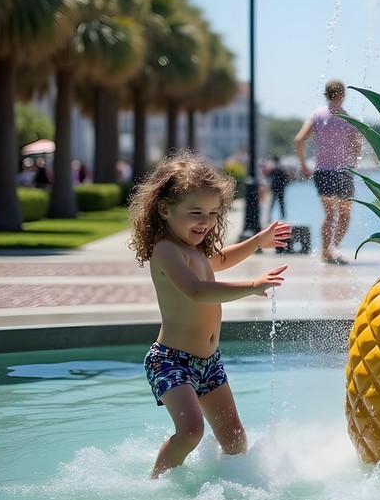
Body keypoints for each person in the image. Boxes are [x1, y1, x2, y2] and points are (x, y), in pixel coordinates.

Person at [127, 150, 291, 478]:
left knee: (234, 439)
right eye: (196, 212)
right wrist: (251, 285)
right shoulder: (167, 251)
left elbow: (220, 260)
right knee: (191, 431)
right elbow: (197, 291)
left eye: (213, 212)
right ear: (165, 209)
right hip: (171, 360)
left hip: (209, 362)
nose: (206, 221)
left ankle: (227, 483)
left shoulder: (194, 249)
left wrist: (257, 241)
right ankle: (156, 484)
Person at [294, 79, 362, 265]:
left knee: (330, 215)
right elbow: (357, 144)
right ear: (343, 95)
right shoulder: (348, 118)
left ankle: (326, 252)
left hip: (322, 172)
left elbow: (299, 140)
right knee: (344, 217)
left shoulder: (317, 115)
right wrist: (354, 162)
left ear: (326, 94)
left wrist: (303, 165)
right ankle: (332, 249)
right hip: (343, 173)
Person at [265, 155, 288, 223]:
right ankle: (283, 218)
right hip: (281, 188)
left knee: (272, 203)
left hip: (274, 188)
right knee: (281, 203)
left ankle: (269, 218)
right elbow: (286, 178)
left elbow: (268, 177)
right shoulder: (281, 168)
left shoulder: (272, 168)